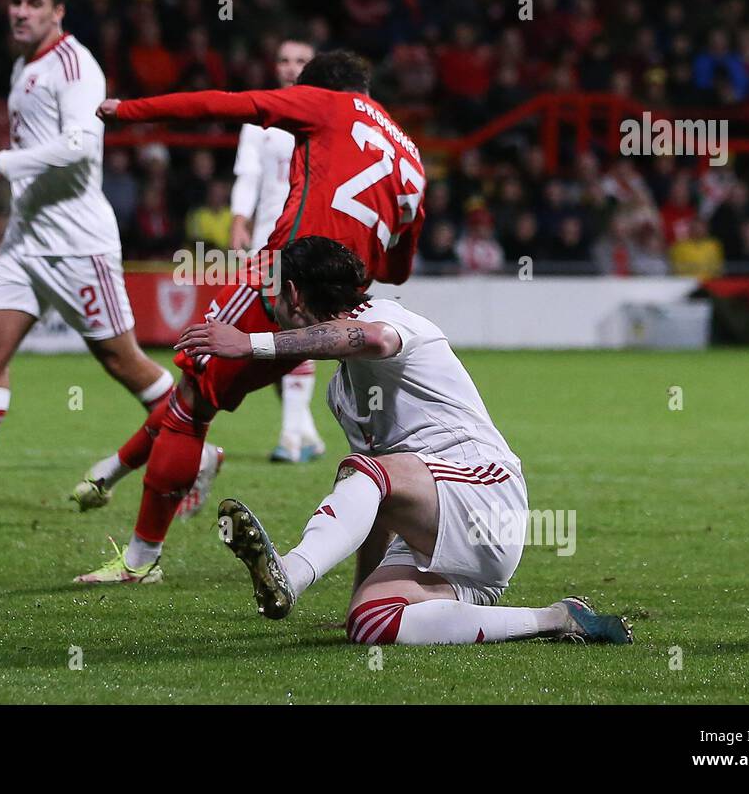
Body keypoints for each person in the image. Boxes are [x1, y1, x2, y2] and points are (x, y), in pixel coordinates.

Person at [72, 50, 426, 584]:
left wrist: (129, 111)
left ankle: (140, 561)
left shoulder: (325, 105)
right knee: (205, 393)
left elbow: (226, 103)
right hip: (339, 316)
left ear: (319, 88)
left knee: (193, 398)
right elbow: (398, 269)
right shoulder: (413, 157)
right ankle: (113, 470)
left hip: (282, 279)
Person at [179, 236, 632, 646]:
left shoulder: (384, 316)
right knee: (371, 622)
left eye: (275, 292)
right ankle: (557, 619)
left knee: (365, 470)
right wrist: (359, 592)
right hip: (439, 532)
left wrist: (252, 343)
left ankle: (292, 574)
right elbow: (374, 505)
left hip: (484, 495)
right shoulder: (342, 392)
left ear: (294, 294)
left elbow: (369, 339)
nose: (270, 302)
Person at [0, 0, 204, 514]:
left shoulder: (76, 67)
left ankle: (196, 457)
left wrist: (4, 164)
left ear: (58, 10)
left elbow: (82, 143)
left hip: (77, 242)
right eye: (15, 1)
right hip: (25, 238)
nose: (21, 12)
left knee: (122, 362)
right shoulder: (23, 65)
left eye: (34, 3)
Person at [227, 38, 326, 465]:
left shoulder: (326, 115)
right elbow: (247, 175)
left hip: (309, 236)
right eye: (284, 60)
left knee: (298, 329)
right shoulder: (260, 116)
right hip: (266, 237)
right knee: (274, 332)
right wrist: (238, 219)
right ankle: (305, 430)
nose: (291, 68)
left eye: (300, 61)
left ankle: (289, 436)